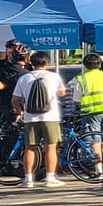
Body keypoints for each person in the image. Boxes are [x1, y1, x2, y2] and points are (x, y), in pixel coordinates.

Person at [11, 50, 66, 187]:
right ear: (47, 63)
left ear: (31, 62)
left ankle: (28, 179)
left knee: (30, 148)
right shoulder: (54, 77)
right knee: (51, 147)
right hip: (50, 116)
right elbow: (62, 92)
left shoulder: (24, 78)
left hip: (30, 118)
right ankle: (50, 178)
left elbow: (15, 99)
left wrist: (19, 111)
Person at [67, 52, 103, 175]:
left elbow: (77, 99)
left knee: (95, 141)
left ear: (85, 65)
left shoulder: (81, 79)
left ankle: (99, 170)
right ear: (100, 64)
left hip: (91, 112)